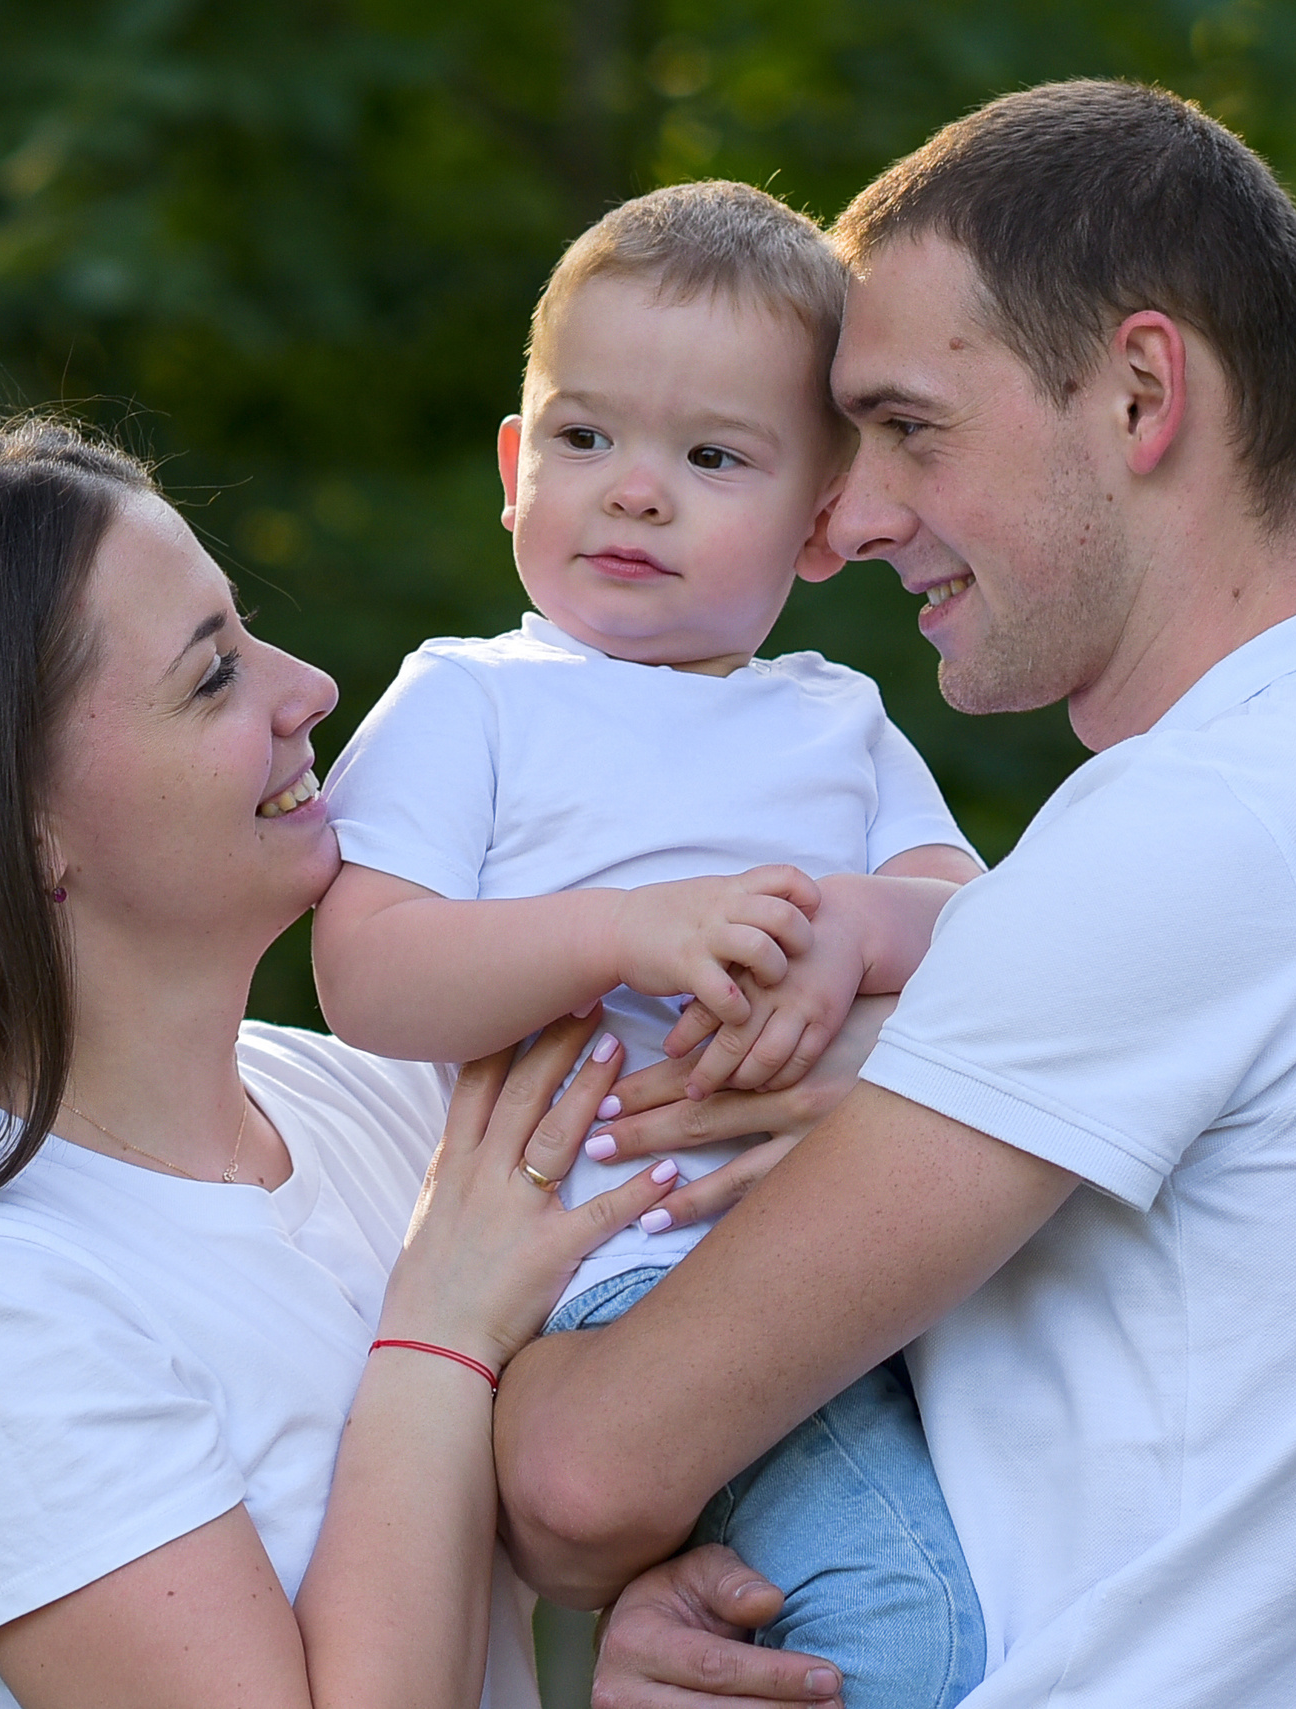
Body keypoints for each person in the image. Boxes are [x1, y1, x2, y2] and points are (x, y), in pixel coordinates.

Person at [497, 79, 1296, 1709]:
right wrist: (739, 1606)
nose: (852, 516)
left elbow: (581, 1474)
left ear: (1141, 393)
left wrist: (471, 1314)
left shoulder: (1215, 831)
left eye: (911, 427)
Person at [0, 410, 851, 1709]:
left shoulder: (385, 1107)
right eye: (213, 675)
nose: (308, 686)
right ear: (17, 837)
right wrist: (440, 1324)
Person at [312, 181, 987, 1705]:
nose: (633, 490)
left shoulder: (839, 717)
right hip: (627, 1267)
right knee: (905, 1618)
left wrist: (849, 929)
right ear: (513, 463)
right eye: (585, 436)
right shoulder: (471, 699)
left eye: (711, 457)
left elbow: (985, 926)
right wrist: (624, 928)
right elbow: (371, 974)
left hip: (872, 1254)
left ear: (825, 521)